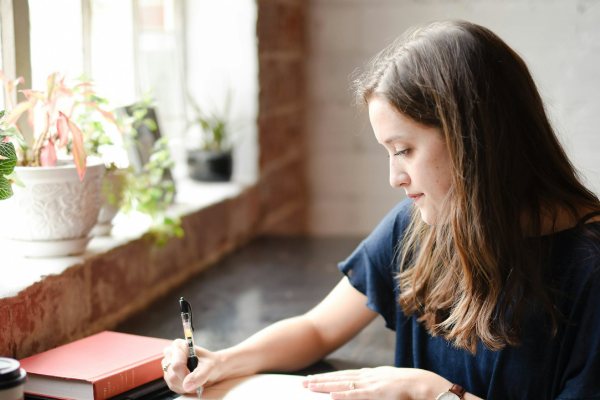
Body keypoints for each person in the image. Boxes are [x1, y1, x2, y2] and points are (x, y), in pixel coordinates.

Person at [162, 20, 600, 399]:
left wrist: (431, 392)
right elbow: (317, 329)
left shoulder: (590, 270)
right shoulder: (418, 226)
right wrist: (224, 360)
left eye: (405, 150)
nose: (395, 178)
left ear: (474, 140)